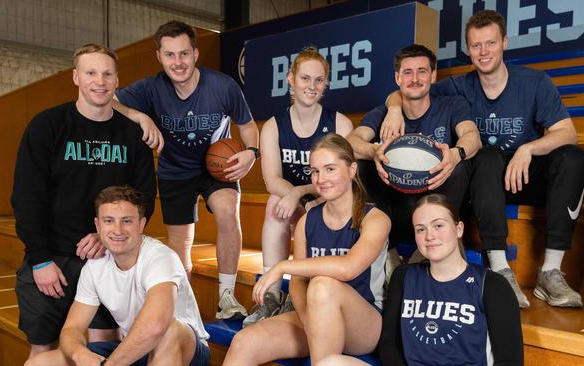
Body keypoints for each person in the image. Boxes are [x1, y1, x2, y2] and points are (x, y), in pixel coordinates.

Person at [381, 10, 584, 308]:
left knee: (574, 158)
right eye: (476, 45)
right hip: (482, 183)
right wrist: (392, 108)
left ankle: (551, 271)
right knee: (488, 155)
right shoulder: (459, 87)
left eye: (490, 43)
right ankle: (500, 266)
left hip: (523, 174)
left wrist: (528, 148)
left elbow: (567, 133)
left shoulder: (534, 82)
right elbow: (409, 89)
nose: (483, 52)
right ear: (468, 49)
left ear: (504, 42)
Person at [11, 44, 156, 360]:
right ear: (76, 77)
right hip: (53, 260)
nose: (99, 81)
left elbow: (144, 199)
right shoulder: (47, 126)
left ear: (117, 80)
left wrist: (108, 237)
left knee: (107, 347)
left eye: (107, 74)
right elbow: (26, 197)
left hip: (108, 259)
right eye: (91, 73)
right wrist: (39, 260)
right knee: (44, 350)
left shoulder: (133, 134)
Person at [113, 20, 260, 319]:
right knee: (180, 244)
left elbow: (247, 125)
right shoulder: (152, 88)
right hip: (174, 170)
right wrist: (140, 117)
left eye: (183, 54)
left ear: (194, 54)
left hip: (215, 167)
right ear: (159, 57)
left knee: (227, 212)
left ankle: (226, 296)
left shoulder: (222, 86)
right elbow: (111, 101)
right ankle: (184, 307)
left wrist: (251, 152)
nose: (177, 62)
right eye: (170, 55)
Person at [223, 134, 390, 365]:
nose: (321, 179)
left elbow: (348, 268)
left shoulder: (376, 219)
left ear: (352, 169)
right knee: (244, 342)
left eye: (330, 169)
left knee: (322, 285)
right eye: (315, 171)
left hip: (364, 323)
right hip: (315, 311)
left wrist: (282, 266)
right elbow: (298, 282)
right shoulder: (307, 221)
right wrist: (306, 318)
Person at [25, 185, 210, 366]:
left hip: (187, 350)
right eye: (109, 221)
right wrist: (80, 354)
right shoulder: (95, 266)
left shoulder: (161, 257)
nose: (118, 230)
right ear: (98, 225)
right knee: (41, 362)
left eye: (127, 221)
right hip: (136, 349)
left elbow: (156, 325)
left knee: (170, 331)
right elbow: (71, 329)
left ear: (141, 224)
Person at [243, 47, 353, 326]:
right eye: (305, 78)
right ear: (291, 79)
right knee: (274, 205)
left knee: (316, 209)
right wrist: (295, 194)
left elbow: (344, 178)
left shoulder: (340, 123)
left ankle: (299, 289)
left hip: (327, 199)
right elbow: (272, 179)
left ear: (326, 82)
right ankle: (270, 295)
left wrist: (302, 193)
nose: (312, 86)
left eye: (319, 80)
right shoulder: (273, 126)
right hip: (295, 199)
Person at [347, 44, 481, 249]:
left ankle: (433, 243)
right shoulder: (382, 113)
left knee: (459, 166)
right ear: (397, 78)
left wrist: (455, 154)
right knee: (362, 165)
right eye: (407, 72)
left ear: (433, 76)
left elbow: (472, 137)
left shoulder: (452, 104)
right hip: (397, 207)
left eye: (422, 71)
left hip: (436, 201)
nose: (415, 79)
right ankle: (384, 245)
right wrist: (374, 151)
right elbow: (350, 142)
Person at [377, 194, 523, 365]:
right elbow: (388, 344)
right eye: (420, 229)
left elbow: (510, 361)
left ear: (459, 229)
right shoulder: (403, 276)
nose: (429, 236)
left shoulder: (492, 285)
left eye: (438, 226)